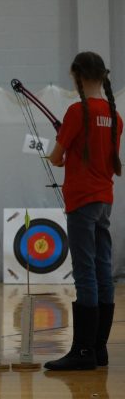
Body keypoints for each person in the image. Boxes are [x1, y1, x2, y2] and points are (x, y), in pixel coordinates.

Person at [45, 51, 121, 371]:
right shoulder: (115, 117)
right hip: (104, 200)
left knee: (86, 272)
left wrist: (63, 143)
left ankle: (83, 352)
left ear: (77, 75)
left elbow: (56, 158)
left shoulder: (78, 112)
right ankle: (98, 349)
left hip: (81, 201)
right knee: (103, 270)